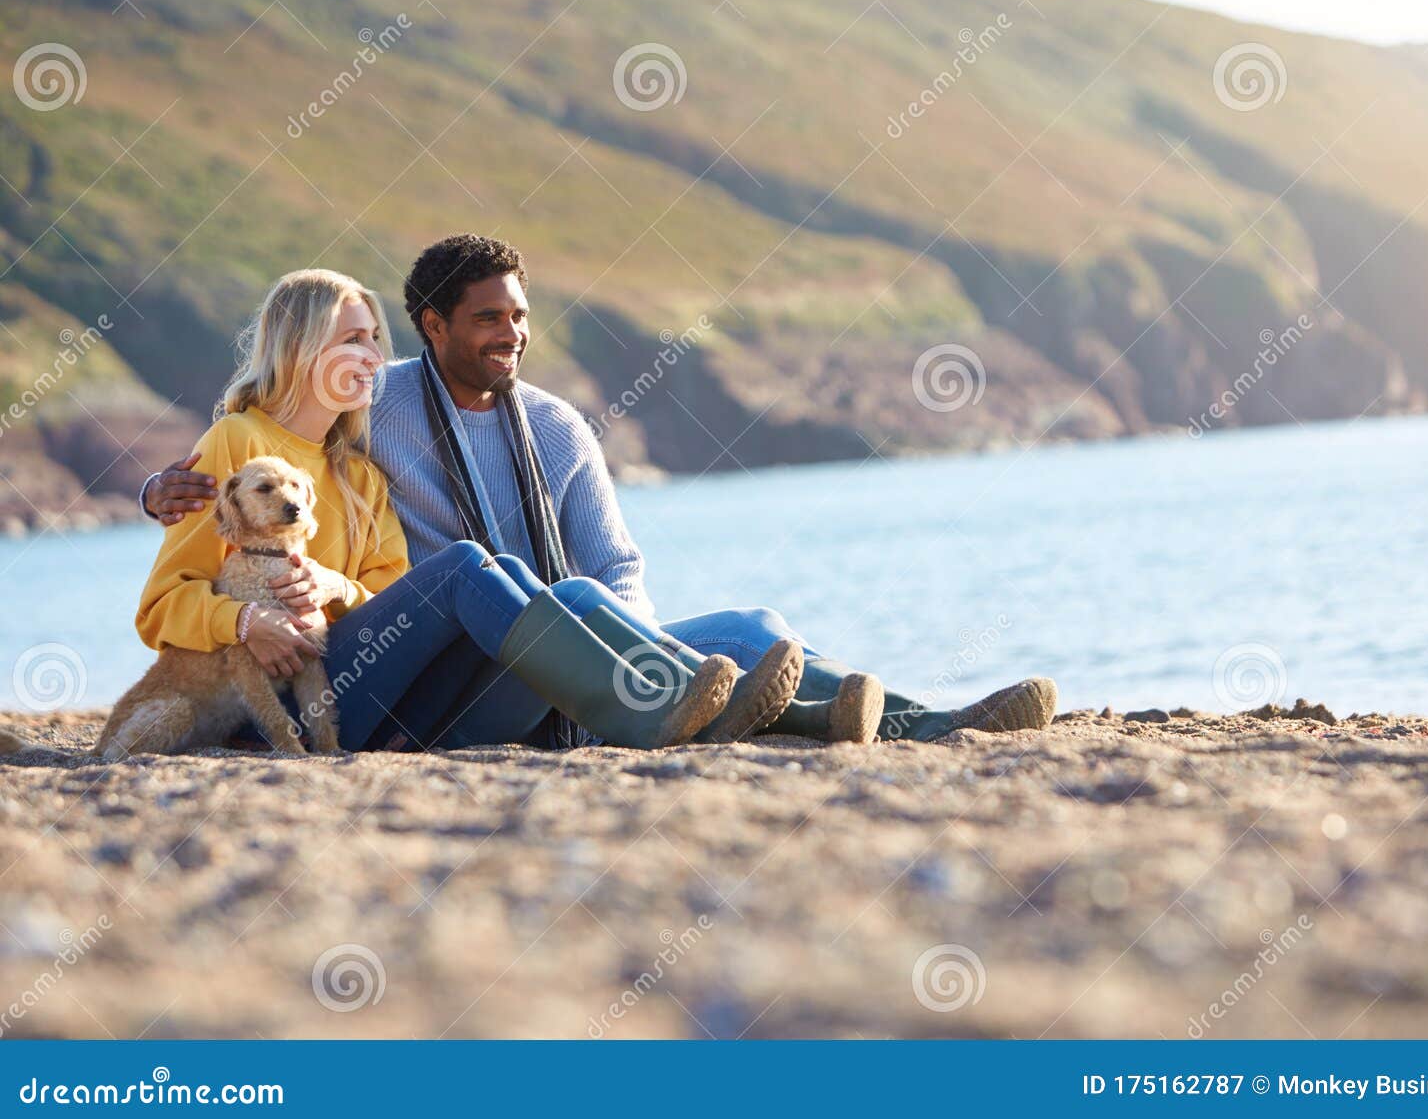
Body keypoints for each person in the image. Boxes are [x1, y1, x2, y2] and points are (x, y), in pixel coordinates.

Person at [143, 235, 1057, 746]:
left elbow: (616, 570)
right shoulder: (360, 415)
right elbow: (241, 453)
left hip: (562, 639)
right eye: (488, 319)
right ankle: (658, 700)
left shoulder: (513, 433)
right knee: (528, 583)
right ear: (437, 327)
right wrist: (162, 493)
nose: (512, 335)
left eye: (521, 317)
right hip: (445, 669)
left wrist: (629, 644)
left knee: (755, 627)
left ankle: (928, 721)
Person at [135, 267, 817, 753]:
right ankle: (646, 707)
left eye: (376, 338)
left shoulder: (356, 467)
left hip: (367, 668)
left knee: (650, 610)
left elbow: (385, 591)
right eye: (353, 339)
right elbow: (162, 605)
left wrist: (337, 587)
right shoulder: (236, 443)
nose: (375, 356)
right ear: (303, 348)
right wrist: (246, 618)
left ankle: (861, 714)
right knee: (468, 565)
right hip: (280, 697)